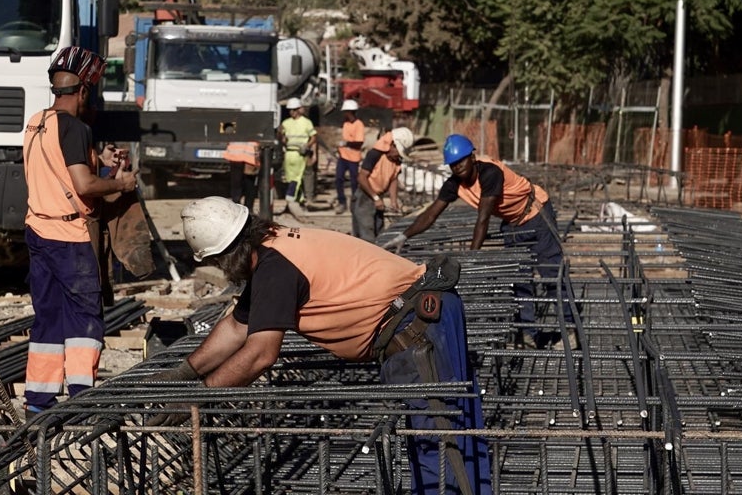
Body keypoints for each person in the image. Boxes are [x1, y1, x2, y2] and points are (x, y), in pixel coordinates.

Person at [150, 196, 492, 495]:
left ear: (226, 255)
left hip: (419, 328)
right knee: (447, 438)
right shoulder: (273, 247)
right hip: (420, 321)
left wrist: (200, 397)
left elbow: (260, 354)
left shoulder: (276, 267)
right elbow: (237, 326)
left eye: (215, 263)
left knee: (442, 443)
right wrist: (185, 371)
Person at [22, 46, 138, 416]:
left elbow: (57, 171)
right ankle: (83, 398)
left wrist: (97, 160)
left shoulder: (37, 122)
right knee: (85, 318)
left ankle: (38, 401)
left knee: (49, 316)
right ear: (83, 90)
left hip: (38, 231)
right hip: (68, 239)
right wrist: (120, 184)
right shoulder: (75, 127)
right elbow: (85, 187)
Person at [382, 134, 574, 348]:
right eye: (453, 165)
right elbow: (430, 215)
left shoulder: (490, 173)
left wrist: (471, 258)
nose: (458, 168)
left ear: (472, 157)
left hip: (536, 214)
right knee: (519, 281)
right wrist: (404, 235)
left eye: (461, 161)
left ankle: (569, 329)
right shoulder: (454, 184)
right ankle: (528, 333)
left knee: (551, 275)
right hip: (512, 223)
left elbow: (483, 219)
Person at [353, 127, 415, 242]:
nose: (397, 156)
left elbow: (393, 179)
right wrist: (375, 198)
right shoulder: (375, 154)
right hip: (365, 196)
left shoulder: (396, 160)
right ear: (392, 145)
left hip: (378, 196)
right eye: (398, 152)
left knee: (379, 231)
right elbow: (361, 178)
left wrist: (393, 200)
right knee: (367, 234)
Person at [276, 98, 317, 217]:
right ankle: (298, 201)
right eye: (290, 110)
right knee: (290, 178)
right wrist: (281, 135)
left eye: (294, 110)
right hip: (289, 153)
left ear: (299, 110)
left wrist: (308, 146)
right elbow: (282, 138)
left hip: (301, 154)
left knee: (297, 178)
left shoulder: (306, 122)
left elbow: (313, 137)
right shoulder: (286, 123)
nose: (291, 112)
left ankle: (290, 199)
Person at [335, 99, 365, 214]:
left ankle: (355, 203)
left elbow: (359, 143)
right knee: (338, 179)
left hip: (353, 158)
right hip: (343, 156)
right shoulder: (346, 124)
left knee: (354, 182)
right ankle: (342, 202)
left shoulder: (359, 125)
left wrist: (346, 143)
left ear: (350, 112)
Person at [222, 141, 260, 211]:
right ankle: (248, 209)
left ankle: (236, 208)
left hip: (236, 155)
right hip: (250, 155)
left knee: (236, 184)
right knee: (249, 185)